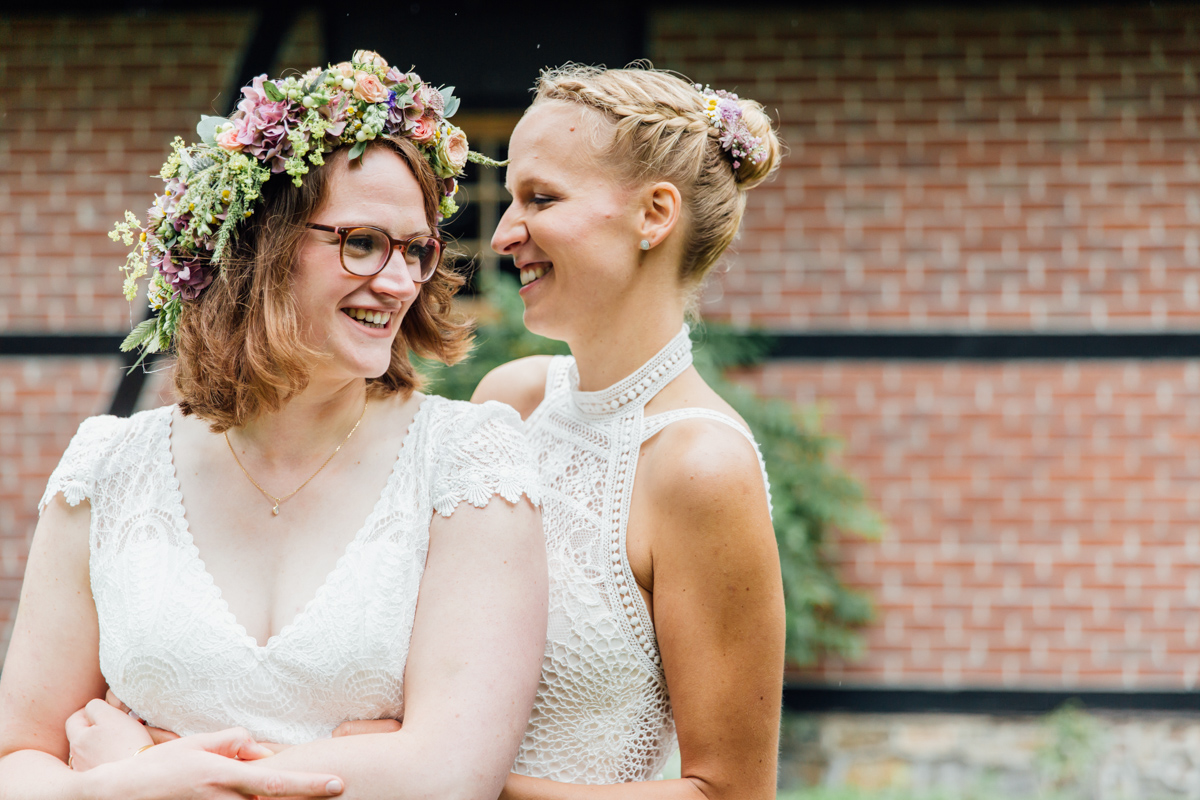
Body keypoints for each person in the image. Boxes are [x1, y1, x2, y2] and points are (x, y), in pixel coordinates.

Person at [0, 52, 546, 800]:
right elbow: (17, 760)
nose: (397, 282)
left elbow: (450, 777)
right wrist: (117, 789)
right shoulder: (110, 466)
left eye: (416, 250)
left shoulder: (468, 462)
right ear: (260, 245)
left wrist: (153, 769)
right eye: (361, 242)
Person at [470, 64, 787, 798]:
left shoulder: (700, 467)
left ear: (654, 213)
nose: (502, 235)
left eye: (540, 199)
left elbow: (729, 792)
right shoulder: (507, 403)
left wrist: (453, 782)